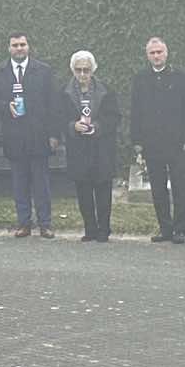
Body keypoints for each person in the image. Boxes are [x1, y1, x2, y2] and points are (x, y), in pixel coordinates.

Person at [0, 32, 60, 239]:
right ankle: (24, 223)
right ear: (8, 48)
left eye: (22, 44)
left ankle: (45, 224)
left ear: (28, 46)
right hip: (14, 136)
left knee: (41, 183)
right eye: (15, 45)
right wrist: (6, 106)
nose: (19, 48)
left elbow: (53, 104)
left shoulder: (44, 71)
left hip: (39, 136)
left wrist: (54, 134)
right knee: (19, 183)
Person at [131, 37, 185, 244]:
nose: (156, 56)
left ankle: (180, 229)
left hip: (177, 143)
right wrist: (137, 140)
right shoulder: (140, 79)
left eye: (159, 52)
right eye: (152, 53)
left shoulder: (181, 78)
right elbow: (136, 111)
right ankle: (165, 228)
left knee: (180, 187)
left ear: (166, 53)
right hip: (152, 143)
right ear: (147, 56)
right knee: (158, 188)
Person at [58, 50, 122, 242]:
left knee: (103, 190)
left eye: (86, 70)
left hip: (101, 148)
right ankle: (90, 229)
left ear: (93, 70)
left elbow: (114, 117)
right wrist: (72, 126)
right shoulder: (64, 92)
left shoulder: (106, 90)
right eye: (78, 70)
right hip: (78, 149)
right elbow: (58, 117)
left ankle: (104, 229)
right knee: (83, 191)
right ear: (73, 71)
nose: (82, 74)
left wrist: (97, 127)